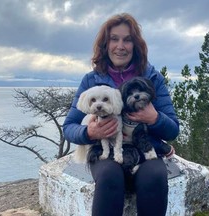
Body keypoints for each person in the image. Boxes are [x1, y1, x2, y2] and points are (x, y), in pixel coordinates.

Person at [63, 13, 179, 216]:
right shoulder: (91, 80)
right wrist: (89, 132)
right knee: (109, 175)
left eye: (127, 40)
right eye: (114, 39)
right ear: (105, 45)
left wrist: (154, 118)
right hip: (105, 151)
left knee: (155, 176)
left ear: (136, 45)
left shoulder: (152, 77)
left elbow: (173, 129)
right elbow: (69, 127)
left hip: (145, 151)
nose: (120, 46)